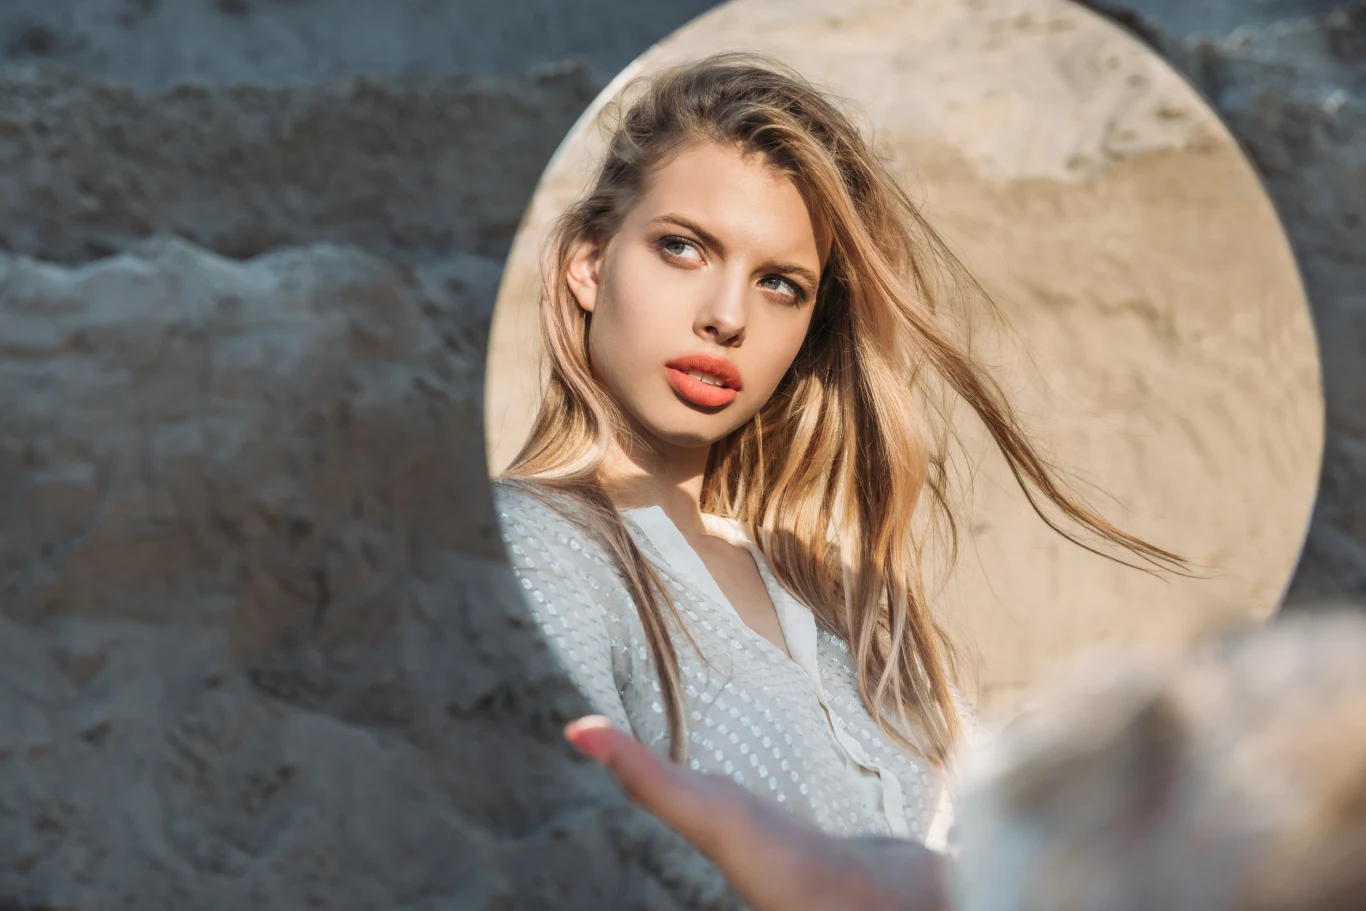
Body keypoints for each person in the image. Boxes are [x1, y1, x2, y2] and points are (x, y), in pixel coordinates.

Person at [492, 49, 1182, 878]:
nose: (727, 316)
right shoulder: (539, 544)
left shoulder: (841, 593)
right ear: (590, 263)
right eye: (682, 247)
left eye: (781, 284)